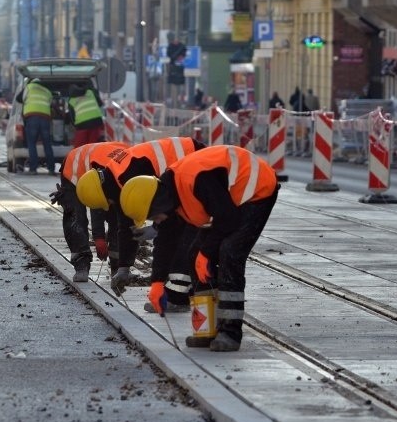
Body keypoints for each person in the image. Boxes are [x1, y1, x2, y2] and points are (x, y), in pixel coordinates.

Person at [119, 145, 280, 352]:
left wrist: (207, 253)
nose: (155, 221)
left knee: (230, 252)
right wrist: (157, 282)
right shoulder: (169, 195)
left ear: (158, 203)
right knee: (194, 254)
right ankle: (207, 329)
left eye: (153, 216)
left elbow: (227, 219)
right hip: (227, 203)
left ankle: (230, 332)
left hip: (256, 191)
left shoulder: (196, 180)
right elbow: (166, 241)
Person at [76, 137, 207, 310]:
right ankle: (182, 292)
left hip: (196, 168)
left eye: (108, 202)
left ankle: (177, 297)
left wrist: (156, 229)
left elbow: (129, 223)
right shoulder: (116, 174)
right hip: (190, 162)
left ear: (104, 194)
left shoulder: (127, 178)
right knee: (172, 232)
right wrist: (124, 266)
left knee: (179, 235)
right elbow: (127, 225)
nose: (112, 205)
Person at [49, 142, 126, 282]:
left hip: (100, 162)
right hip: (74, 171)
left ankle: (117, 263)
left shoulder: (131, 171)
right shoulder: (106, 171)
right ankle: (81, 263)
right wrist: (99, 238)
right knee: (76, 216)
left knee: (118, 213)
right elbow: (96, 203)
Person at [16, 78, 55, 175]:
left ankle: (33, 168)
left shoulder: (29, 87)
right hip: (45, 119)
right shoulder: (47, 91)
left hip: (32, 117)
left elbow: (20, 99)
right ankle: (51, 169)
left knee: (31, 143)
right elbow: (50, 103)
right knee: (47, 144)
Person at [67, 82, 105, 147]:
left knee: (79, 146)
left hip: (82, 124)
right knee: (93, 145)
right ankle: (92, 156)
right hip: (96, 121)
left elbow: (72, 117)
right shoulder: (90, 92)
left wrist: (76, 126)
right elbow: (100, 104)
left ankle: (81, 157)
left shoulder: (71, 101)